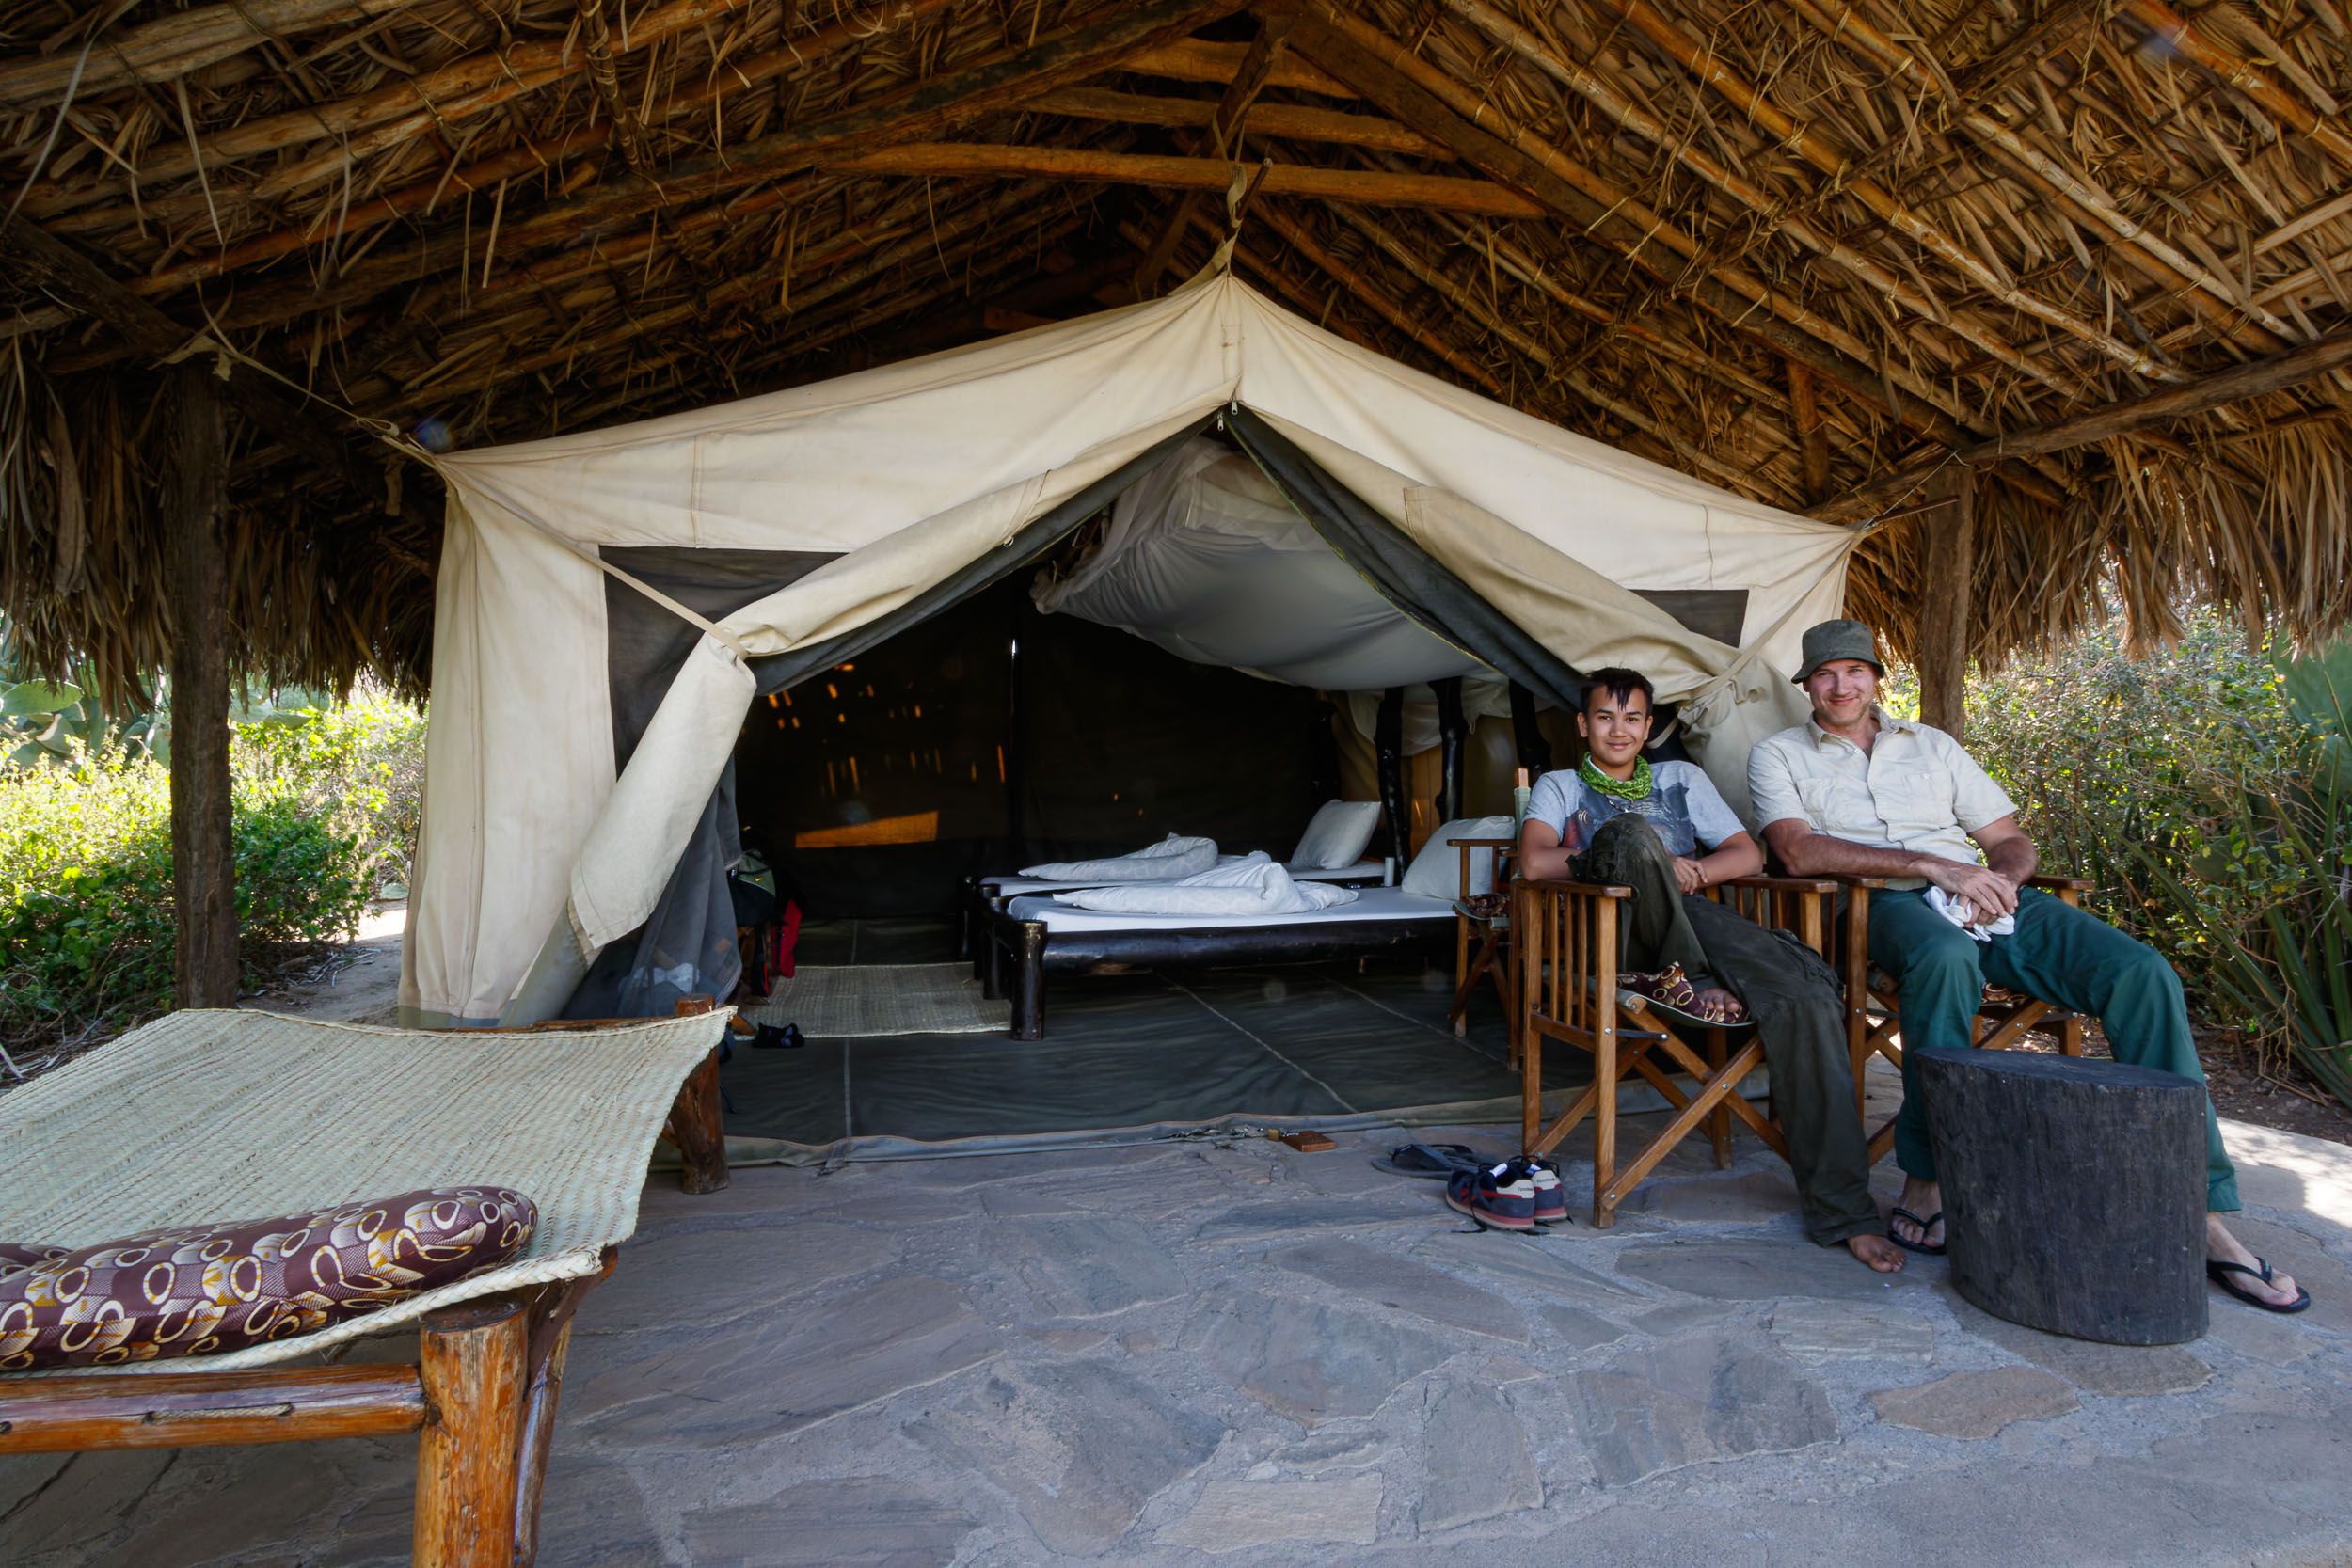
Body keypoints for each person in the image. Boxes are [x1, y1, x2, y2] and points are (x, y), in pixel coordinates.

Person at [1749, 618, 2310, 1314]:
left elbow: (2009, 839)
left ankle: (2201, 1208)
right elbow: (1798, 851)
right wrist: (1935, 865)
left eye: (1854, 671)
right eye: (1826, 675)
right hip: (1876, 904)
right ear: (1807, 685)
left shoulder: (1932, 745)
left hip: (1983, 897)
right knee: (1946, 958)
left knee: (2141, 972)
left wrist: (2001, 882)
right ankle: (1928, 1174)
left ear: (1875, 679)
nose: (1841, 686)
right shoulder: (1778, 754)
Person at [1518, 668, 1903, 1274]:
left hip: (1695, 919)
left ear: (1648, 726)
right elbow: (1536, 864)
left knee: (1804, 993)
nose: (1619, 730)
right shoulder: (1560, 785)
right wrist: (1648, 859)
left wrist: (1690, 870)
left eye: (1632, 718)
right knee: (1628, 835)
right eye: (1604, 717)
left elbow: (1746, 853)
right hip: (1612, 937)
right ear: (1583, 725)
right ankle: (1693, 977)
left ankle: (1845, 1212)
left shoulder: (1682, 778)